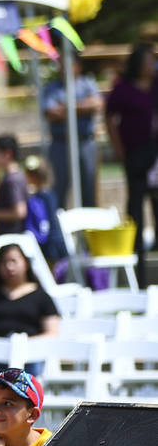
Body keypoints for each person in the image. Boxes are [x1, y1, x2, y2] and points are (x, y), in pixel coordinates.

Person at [0, 243, 60, 434]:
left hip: (29, 356)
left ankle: (20, 428)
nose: (9, 267)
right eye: (4, 262)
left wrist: (22, 347)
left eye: (14, 261)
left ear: (25, 264)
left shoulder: (41, 297)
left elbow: (52, 332)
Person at [104, 42, 158, 287]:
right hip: (136, 156)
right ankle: (139, 275)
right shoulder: (124, 89)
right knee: (135, 212)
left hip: (156, 156)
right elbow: (109, 117)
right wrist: (119, 149)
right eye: (147, 60)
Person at [42, 52, 102, 208]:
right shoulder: (52, 87)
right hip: (61, 144)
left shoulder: (87, 84)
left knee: (89, 188)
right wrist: (82, 107)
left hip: (85, 142)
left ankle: (90, 228)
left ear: (78, 66)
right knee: (59, 189)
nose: (63, 68)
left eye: (67, 64)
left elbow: (96, 104)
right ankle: (58, 228)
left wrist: (67, 107)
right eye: (61, 64)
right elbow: (50, 113)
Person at [23, 156, 70, 278]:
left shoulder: (40, 198)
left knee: (51, 275)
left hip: (50, 242)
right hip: (56, 240)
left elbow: (42, 223)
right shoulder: (50, 194)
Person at [0, 134, 28, 235]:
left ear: (8, 154)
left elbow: (19, 211)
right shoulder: (16, 175)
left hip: (12, 236)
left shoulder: (12, 180)